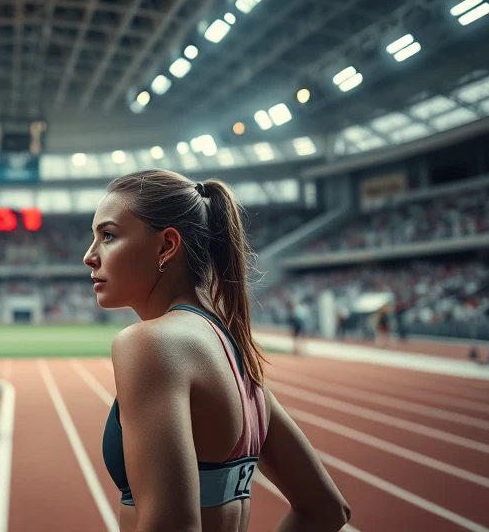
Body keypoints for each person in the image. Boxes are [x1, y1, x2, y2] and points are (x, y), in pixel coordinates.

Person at [86, 171, 351, 532]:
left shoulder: (149, 343)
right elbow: (325, 510)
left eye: (108, 236)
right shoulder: (235, 353)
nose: (89, 256)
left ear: (166, 246)